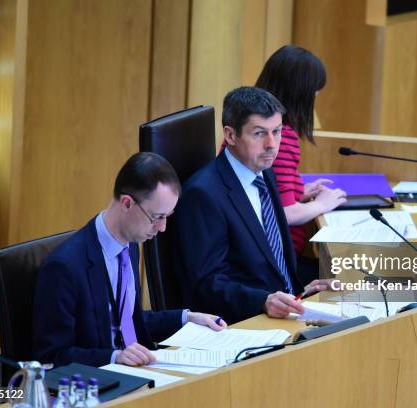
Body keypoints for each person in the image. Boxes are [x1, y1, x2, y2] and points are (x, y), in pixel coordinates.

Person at [32, 152, 226, 368]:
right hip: (97, 383)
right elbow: (53, 356)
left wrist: (187, 318)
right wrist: (114, 357)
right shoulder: (64, 267)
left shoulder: (131, 245)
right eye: (157, 217)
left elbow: (126, 321)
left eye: (167, 217)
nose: (162, 228)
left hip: (141, 371)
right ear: (126, 203)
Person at [172, 87, 332, 324]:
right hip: (244, 322)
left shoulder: (264, 171)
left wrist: (300, 292)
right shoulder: (203, 195)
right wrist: (263, 300)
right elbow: (206, 285)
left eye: (276, 132)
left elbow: (270, 260)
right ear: (231, 135)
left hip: (286, 307)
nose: (271, 144)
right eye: (259, 133)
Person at [255, 45, 347, 278]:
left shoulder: (253, 126)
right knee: (357, 275)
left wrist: (298, 191)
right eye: (314, 92)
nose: (316, 98)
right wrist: (322, 205)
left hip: (264, 256)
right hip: (279, 266)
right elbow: (285, 214)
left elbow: (264, 194)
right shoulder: (278, 138)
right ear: (300, 93)